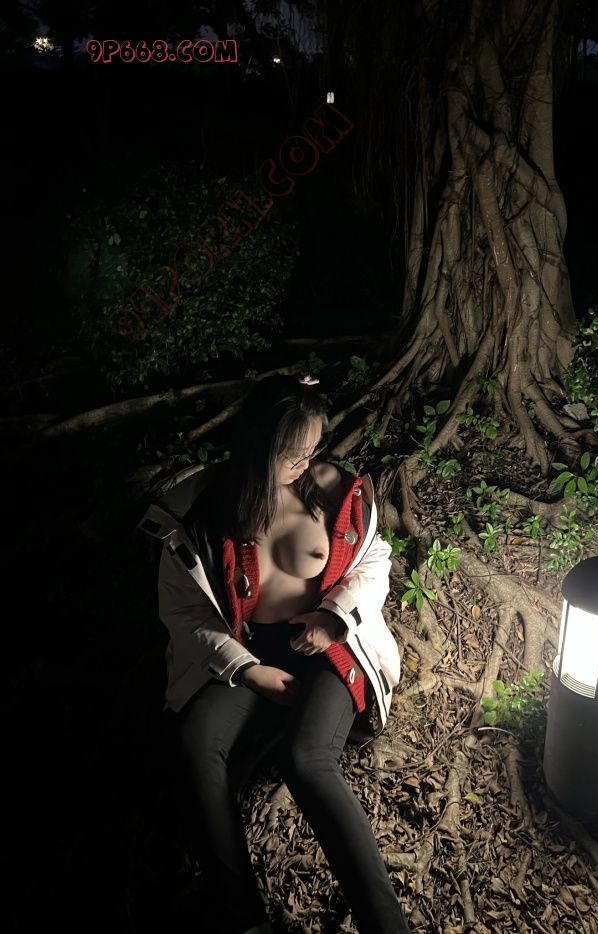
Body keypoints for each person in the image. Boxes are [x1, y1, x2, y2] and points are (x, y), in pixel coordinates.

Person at [138, 373, 410, 934]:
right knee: (197, 744)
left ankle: (386, 924)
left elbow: (374, 559)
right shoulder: (202, 510)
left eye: (313, 449)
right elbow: (184, 613)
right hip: (245, 647)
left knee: (308, 758)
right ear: (259, 442)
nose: (305, 464)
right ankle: (243, 918)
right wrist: (247, 670)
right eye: (293, 453)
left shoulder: (334, 489)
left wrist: (334, 618)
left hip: (328, 645)